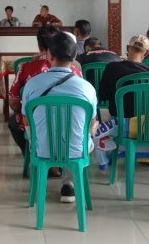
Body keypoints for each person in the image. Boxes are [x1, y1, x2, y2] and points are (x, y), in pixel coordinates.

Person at [21, 32, 98, 203]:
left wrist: (35, 138)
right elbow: (91, 121)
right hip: (77, 150)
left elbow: (26, 120)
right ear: (75, 55)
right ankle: (69, 184)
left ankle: (42, 185)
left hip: (43, 149)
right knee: (84, 136)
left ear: (49, 54)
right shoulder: (87, 88)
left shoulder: (32, 84)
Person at [7, 25, 62, 158]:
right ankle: (62, 156)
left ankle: (33, 154)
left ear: (39, 45)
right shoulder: (74, 68)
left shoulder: (26, 68)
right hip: (68, 123)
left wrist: (29, 108)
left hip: (35, 122)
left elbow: (13, 102)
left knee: (14, 122)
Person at [98, 35, 149, 119]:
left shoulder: (111, 68)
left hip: (119, 120)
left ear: (127, 48)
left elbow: (103, 95)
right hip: (146, 123)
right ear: (147, 52)